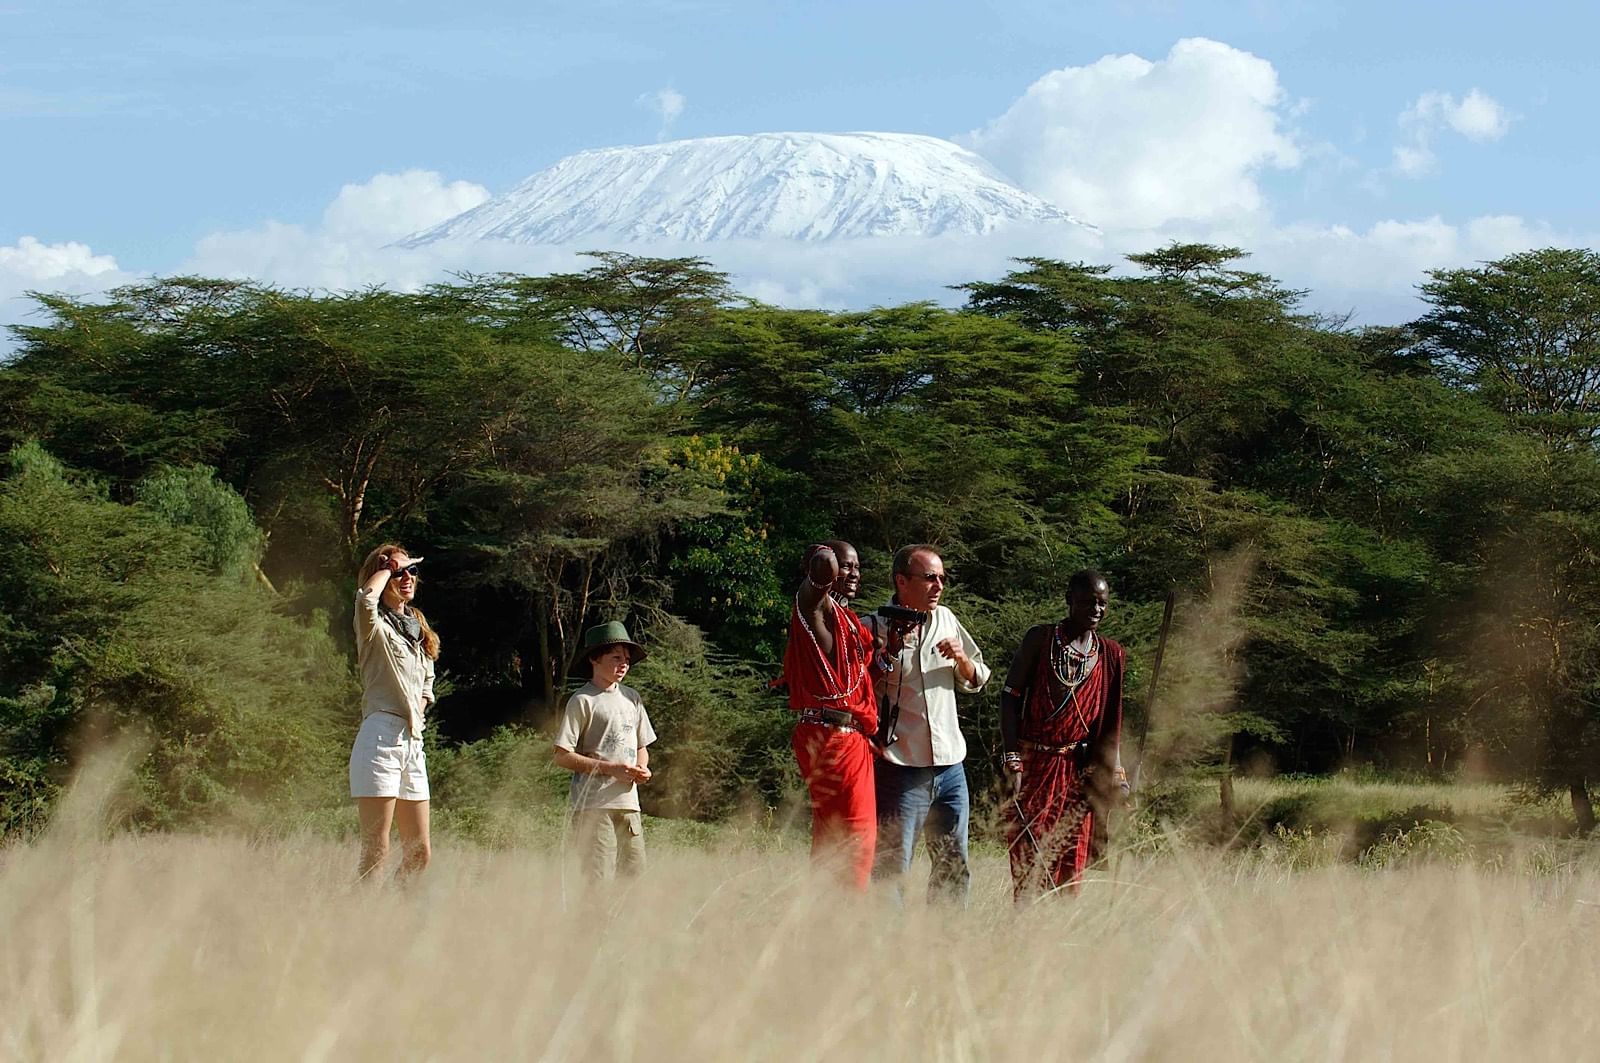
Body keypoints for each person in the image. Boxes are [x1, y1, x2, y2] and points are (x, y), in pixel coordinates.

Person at [869, 544, 990, 904]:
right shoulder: (872, 627)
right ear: (902, 581)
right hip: (901, 768)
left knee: (952, 865)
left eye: (942, 578)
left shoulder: (947, 619)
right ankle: (887, 951)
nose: (939, 586)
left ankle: (944, 948)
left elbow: (977, 678)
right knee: (892, 867)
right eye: (929, 578)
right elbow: (855, 687)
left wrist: (962, 659)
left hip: (951, 768)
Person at [999, 568, 1127, 899]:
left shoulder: (1109, 655)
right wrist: (1012, 760)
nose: (1096, 610)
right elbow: (1009, 698)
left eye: (1102, 604)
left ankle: (1059, 943)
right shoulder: (1040, 640)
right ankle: (1022, 938)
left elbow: (1111, 725)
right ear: (1070, 600)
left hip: (1078, 775)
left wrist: (1116, 773)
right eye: (1088, 602)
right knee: (1029, 866)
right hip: (1036, 767)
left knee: (1071, 870)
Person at [782, 540, 882, 890]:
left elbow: (856, 682)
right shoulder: (814, 608)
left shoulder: (849, 622)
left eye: (857, 566)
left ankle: (822, 924)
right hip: (832, 737)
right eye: (847, 566)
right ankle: (846, 922)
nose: (853, 573)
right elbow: (822, 566)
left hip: (850, 738)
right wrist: (823, 563)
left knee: (837, 836)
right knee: (855, 835)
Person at [350, 544, 439, 882]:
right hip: (380, 736)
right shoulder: (374, 628)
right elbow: (364, 600)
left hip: (412, 739)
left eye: (411, 571)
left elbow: (427, 687)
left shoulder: (418, 630)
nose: (407, 578)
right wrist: (388, 566)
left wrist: (417, 713)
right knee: (377, 849)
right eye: (399, 572)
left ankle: (395, 919)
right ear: (382, 575)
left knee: (420, 853)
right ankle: (362, 920)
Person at [553, 621, 657, 880]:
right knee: (598, 882)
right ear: (594, 660)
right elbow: (562, 755)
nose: (624, 664)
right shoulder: (582, 700)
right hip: (592, 806)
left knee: (634, 878)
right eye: (616, 658)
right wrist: (612, 769)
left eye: (627, 659)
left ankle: (627, 923)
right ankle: (593, 922)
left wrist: (642, 768)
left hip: (629, 804)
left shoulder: (632, 698)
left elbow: (642, 745)